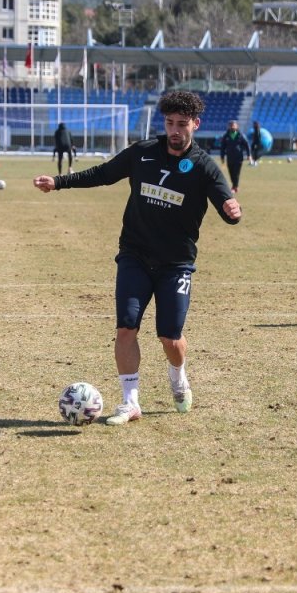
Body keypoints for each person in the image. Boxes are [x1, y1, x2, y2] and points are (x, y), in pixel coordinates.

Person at [31, 89, 241, 425]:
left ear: (195, 125)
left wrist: (232, 210)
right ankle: (130, 403)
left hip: (176, 264)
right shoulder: (143, 152)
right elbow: (101, 174)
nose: (175, 130)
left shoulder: (204, 167)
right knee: (126, 327)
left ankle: (178, 377)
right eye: (170, 122)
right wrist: (58, 182)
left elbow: (226, 204)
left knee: (170, 338)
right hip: (135, 256)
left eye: (182, 124)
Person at [218, 120, 252, 193]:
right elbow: (222, 147)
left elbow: (247, 145)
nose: (232, 127)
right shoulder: (226, 136)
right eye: (231, 125)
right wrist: (222, 157)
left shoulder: (241, 135)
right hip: (230, 158)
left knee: (236, 173)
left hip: (239, 158)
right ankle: (235, 186)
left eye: (233, 125)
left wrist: (249, 155)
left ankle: (235, 187)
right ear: (228, 127)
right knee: (231, 173)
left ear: (237, 126)